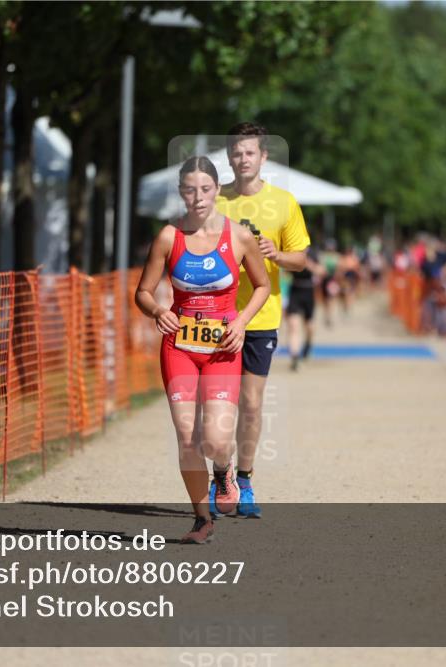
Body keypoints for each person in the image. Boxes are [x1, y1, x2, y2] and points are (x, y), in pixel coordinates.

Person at [135, 155, 269, 544]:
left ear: (216, 190)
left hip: (222, 348)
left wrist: (240, 323)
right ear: (181, 192)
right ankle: (201, 518)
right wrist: (159, 310)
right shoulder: (167, 237)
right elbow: (142, 292)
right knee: (185, 433)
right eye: (190, 190)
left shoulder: (239, 236)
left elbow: (261, 285)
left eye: (206, 189)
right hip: (178, 346)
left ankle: (224, 471)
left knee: (214, 440)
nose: (198, 197)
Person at [213, 121, 310, 518]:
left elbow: (301, 260)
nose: (242, 158)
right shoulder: (213, 200)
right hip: (215, 318)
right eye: (236, 152)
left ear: (263, 157)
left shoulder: (284, 203)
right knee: (218, 409)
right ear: (230, 157)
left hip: (260, 316)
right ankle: (222, 479)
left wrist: (275, 254)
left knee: (250, 405)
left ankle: (246, 478)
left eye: (250, 152)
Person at [286, 244, 322, 371]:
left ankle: (308, 344)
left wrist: (308, 265)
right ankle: (295, 357)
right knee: (293, 326)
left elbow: (322, 271)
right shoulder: (291, 252)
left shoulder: (313, 253)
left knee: (309, 327)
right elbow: (285, 271)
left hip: (308, 291)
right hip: (295, 290)